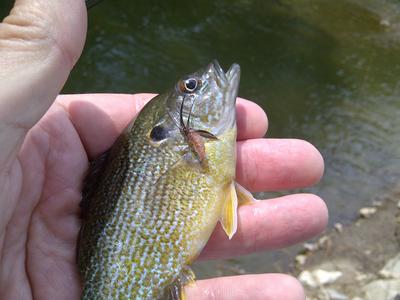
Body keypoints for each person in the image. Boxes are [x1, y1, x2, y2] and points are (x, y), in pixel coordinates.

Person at [0, 1, 327, 299]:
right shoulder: (192, 146)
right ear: (174, 129)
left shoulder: (197, 146)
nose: (205, 78)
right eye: (192, 87)